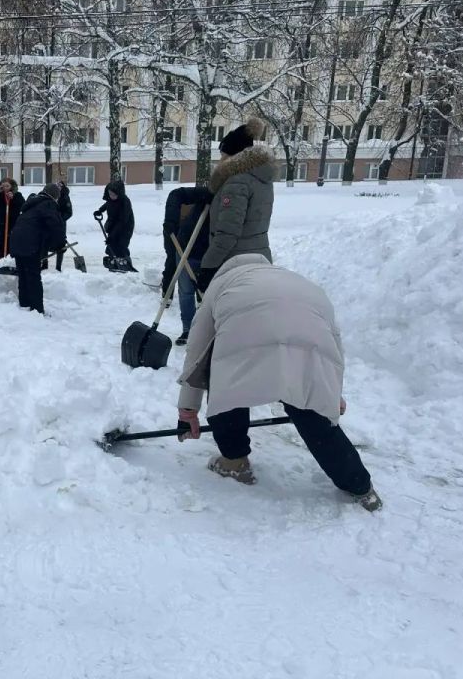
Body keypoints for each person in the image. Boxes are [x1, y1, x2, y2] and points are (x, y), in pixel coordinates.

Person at [175, 254, 382, 512]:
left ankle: (235, 461)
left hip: (244, 341)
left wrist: (188, 410)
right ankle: (360, 486)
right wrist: (331, 395)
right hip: (309, 346)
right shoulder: (299, 282)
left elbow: (196, 351)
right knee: (311, 410)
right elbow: (334, 348)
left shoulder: (221, 285)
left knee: (228, 387)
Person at [196, 117, 274, 293]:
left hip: (236, 264)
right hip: (258, 258)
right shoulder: (260, 178)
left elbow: (228, 233)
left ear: (234, 156)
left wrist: (208, 266)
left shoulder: (236, 183)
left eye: (223, 155)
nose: (220, 159)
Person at [161, 186, 213, 346]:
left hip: (212, 254)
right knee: (185, 291)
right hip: (185, 248)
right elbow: (176, 194)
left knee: (210, 294)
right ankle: (188, 329)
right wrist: (171, 220)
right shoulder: (207, 193)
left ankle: (208, 332)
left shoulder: (234, 199)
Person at [9, 184, 67, 314]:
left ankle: (24, 304)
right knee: (33, 277)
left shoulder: (32, 204)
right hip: (30, 244)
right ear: (54, 196)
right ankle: (37, 310)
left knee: (23, 275)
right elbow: (56, 226)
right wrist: (60, 245)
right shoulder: (48, 204)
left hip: (17, 242)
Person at [93, 179, 136, 272]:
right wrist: (100, 210)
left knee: (121, 245)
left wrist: (112, 236)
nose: (111, 196)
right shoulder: (111, 199)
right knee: (112, 245)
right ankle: (114, 263)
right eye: (110, 194)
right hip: (114, 223)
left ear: (119, 193)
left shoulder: (125, 202)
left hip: (125, 226)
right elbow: (107, 204)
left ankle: (126, 263)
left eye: (113, 194)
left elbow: (122, 221)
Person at [0, 178, 25, 260]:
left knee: (11, 248)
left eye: (7, 186)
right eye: (3, 186)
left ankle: (9, 263)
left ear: (12, 186)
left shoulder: (17, 195)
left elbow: (23, 206)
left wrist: (13, 198)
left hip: (12, 225)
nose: (5, 188)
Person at [53, 178, 74, 272]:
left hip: (60, 224)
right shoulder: (51, 196)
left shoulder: (65, 197)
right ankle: (44, 264)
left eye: (60, 186)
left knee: (60, 245)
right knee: (45, 242)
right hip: (49, 223)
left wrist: (60, 219)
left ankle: (58, 267)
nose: (58, 188)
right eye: (56, 186)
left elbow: (69, 212)